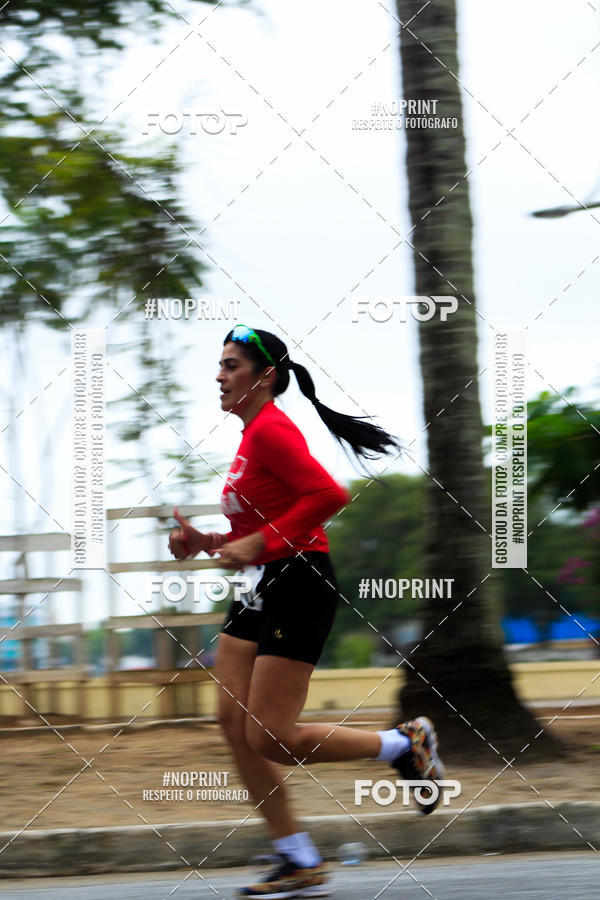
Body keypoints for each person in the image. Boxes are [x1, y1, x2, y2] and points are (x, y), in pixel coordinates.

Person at [168, 325, 444, 899]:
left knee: (270, 736)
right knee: (231, 723)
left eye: (231, 365)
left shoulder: (271, 429)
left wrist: (258, 545)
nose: (219, 376)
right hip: (264, 584)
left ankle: (404, 745)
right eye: (219, 366)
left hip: (301, 583)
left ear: (265, 376)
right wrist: (208, 542)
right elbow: (254, 532)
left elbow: (327, 496)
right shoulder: (249, 437)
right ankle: (297, 858)